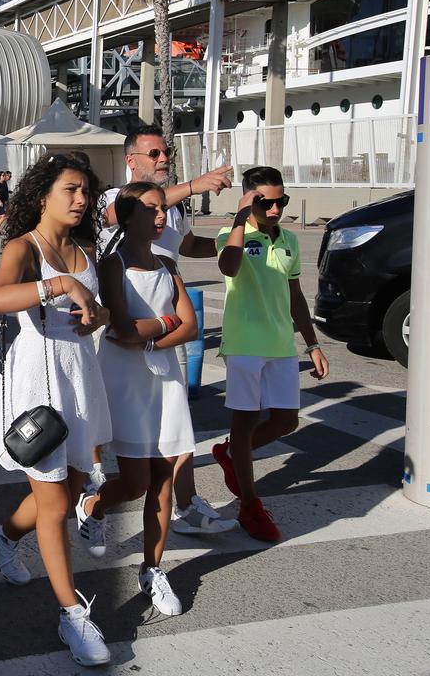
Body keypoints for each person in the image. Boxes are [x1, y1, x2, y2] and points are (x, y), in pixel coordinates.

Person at [0, 153, 113, 667]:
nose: (81, 200)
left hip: (79, 377)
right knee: (55, 504)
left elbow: (94, 313)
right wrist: (59, 284)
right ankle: (71, 613)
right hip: (40, 379)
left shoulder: (84, 247)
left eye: (86, 192)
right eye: (70, 191)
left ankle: (2, 536)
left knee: (71, 486)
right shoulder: (23, 246)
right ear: (42, 195)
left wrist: (95, 314)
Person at [97, 124, 237, 536]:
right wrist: (193, 186)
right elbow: (114, 216)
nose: (163, 160)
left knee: (177, 425)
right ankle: (93, 494)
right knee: (107, 423)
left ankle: (186, 504)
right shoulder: (114, 198)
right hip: (120, 328)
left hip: (163, 326)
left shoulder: (171, 207)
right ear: (131, 159)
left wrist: (235, 235)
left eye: (166, 154)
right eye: (154, 153)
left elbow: (188, 245)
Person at [74, 182, 198, 618]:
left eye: (163, 208)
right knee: (136, 481)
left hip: (165, 376)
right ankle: (94, 503)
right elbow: (122, 330)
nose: (161, 216)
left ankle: (153, 569)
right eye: (151, 209)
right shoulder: (113, 264)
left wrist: (153, 335)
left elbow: (192, 327)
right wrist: (166, 323)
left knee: (164, 476)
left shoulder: (167, 262)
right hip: (126, 379)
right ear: (127, 217)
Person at [213, 166, 328, 543]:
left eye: (282, 201)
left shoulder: (291, 241)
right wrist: (240, 218)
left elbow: (295, 296)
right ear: (250, 199)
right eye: (266, 202)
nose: (276, 208)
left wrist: (312, 344)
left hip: (280, 345)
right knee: (244, 423)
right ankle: (250, 504)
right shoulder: (231, 235)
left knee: (285, 421)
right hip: (244, 344)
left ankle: (232, 455)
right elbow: (228, 266)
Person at [0, 170, 11, 234]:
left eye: (4, 175)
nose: (4, 176)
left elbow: (4, 192)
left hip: (3, 202)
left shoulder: (4, 183)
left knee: (0, 216)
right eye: (3, 175)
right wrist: (0, 201)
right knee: (5, 215)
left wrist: (9, 192)